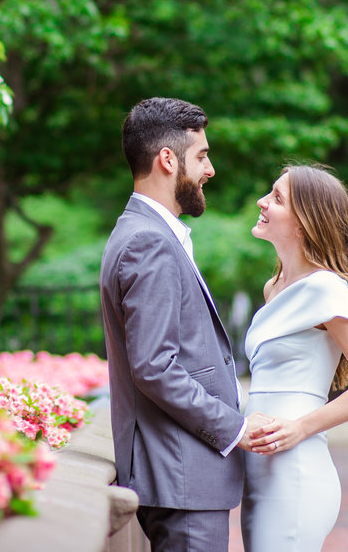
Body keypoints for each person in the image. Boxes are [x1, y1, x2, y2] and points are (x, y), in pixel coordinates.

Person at [100, 97, 272, 551]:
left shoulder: (144, 233)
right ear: (167, 159)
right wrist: (234, 427)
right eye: (202, 155)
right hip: (179, 476)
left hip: (179, 476)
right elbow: (155, 366)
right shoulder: (148, 243)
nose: (210, 169)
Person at [241, 164, 348, 551]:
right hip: (260, 468)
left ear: (303, 223)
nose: (262, 202)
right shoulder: (273, 287)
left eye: (276, 198)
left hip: (295, 470)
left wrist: (301, 428)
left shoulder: (325, 289)